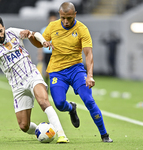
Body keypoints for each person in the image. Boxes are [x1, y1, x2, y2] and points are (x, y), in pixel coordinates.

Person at [0, 17, 69, 143]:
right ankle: (41, 131)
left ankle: (61, 135)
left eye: (1, 30)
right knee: (24, 126)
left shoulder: (13, 32)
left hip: (32, 75)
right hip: (17, 86)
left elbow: (34, 34)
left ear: (3, 27)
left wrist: (42, 41)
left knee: (43, 101)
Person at [42, 2, 113, 142]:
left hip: (76, 70)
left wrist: (90, 75)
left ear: (75, 14)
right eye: (63, 18)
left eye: (69, 18)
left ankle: (104, 135)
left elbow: (89, 54)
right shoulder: (52, 27)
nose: (66, 21)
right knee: (59, 103)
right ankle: (71, 108)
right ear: (59, 15)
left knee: (88, 100)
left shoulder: (82, 29)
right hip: (57, 71)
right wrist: (38, 40)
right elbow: (39, 42)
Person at [37, 11, 58, 87]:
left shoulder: (59, 30)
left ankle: (56, 86)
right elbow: (40, 43)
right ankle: (47, 86)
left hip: (56, 53)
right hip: (47, 52)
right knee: (47, 71)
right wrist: (40, 54)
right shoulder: (44, 30)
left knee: (56, 70)